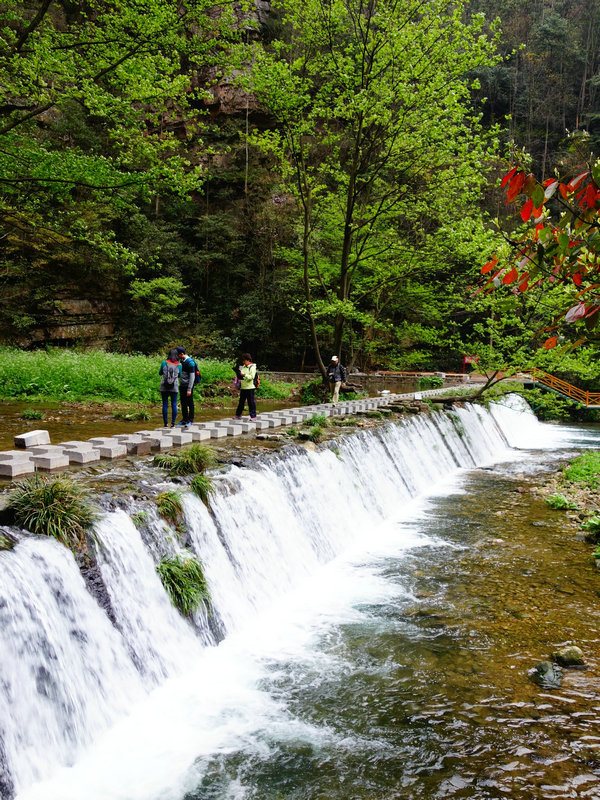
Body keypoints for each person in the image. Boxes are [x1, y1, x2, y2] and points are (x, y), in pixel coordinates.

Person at [176, 346, 198, 427]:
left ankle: (190, 420)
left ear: (181, 354)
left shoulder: (190, 362)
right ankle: (184, 419)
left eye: (177, 354)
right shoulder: (181, 361)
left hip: (188, 386)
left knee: (190, 403)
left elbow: (192, 377)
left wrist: (189, 389)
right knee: (183, 403)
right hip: (182, 385)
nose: (176, 356)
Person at [159, 348, 181, 426]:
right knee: (174, 404)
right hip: (174, 387)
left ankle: (165, 424)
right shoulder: (179, 365)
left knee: (165, 404)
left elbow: (160, 373)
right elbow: (180, 375)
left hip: (164, 386)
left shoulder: (164, 363)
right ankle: (173, 423)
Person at [234, 353, 257, 420]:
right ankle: (238, 415)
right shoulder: (242, 367)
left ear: (248, 360)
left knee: (251, 402)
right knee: (241, 402)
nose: (243, 362)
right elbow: (240, 374)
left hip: (250, 387)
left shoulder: (252, 367)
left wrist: (244, 375)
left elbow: (252, 377)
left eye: (244, 360)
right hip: (243, 387)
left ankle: (253, 416)